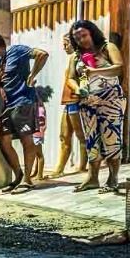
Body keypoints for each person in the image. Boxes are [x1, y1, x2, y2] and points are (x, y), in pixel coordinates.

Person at [0, 32, 48, 192]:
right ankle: (19, 175)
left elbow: (42, 54)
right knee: (2, 141)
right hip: (7, 106)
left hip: (23, 103)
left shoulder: (17, 50)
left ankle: (28, 180)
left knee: (26, 141)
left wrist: (32, 75)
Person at [70, 20, 126, 192]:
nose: (81, 40)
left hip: (110, 99)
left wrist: (94, 71)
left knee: (111, 137)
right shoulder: (76, 56)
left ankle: (113, 178)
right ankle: (92, 178)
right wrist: (77, 88)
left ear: (92, 33)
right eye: (77, 38)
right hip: (88, 101)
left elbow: (118, 68)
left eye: (84, 35)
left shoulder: (107, 47)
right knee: (91, 139)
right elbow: (71, 77)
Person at [51, 33, 85, 177]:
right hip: (68, 101)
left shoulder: (78, 58)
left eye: (66, 44)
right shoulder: (73, 59)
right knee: (64, 136)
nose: (64, 47)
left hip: (75, 101)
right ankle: (59, 169)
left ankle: (82, 166)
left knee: (80, 136)